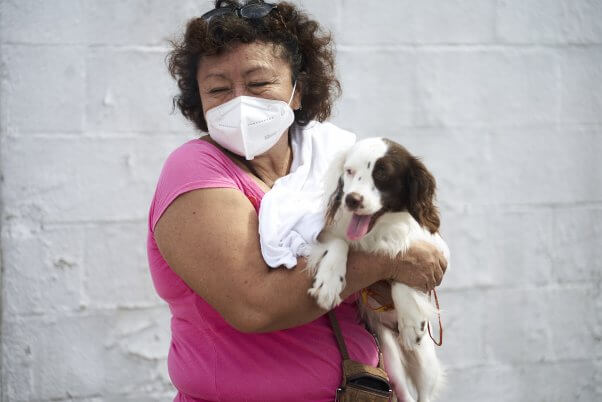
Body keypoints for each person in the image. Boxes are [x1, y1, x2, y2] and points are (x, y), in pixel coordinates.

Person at [147, 1, 447, 400]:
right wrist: (390, 258)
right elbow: (255, 306)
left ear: (298, 90)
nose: (239, 103)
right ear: (197, 100)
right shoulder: (196, 170)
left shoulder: (330, 162)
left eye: (258, 84)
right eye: (218, 89)